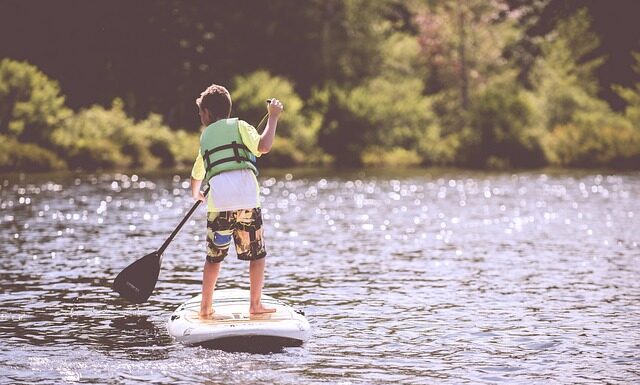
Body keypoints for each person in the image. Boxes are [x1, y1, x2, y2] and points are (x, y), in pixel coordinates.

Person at [190, 84, 283, 318]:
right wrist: (273, 118)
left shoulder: (205, 137)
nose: (200, 116)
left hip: (219, 204)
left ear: (208, 113)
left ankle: (205, 307)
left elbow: (197, 174)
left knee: (214, 258)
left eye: (201, 112)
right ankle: (255, 305)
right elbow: (264, 146)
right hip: (247, 201)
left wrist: (196, 193)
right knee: (257, 255)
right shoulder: (241, 126)